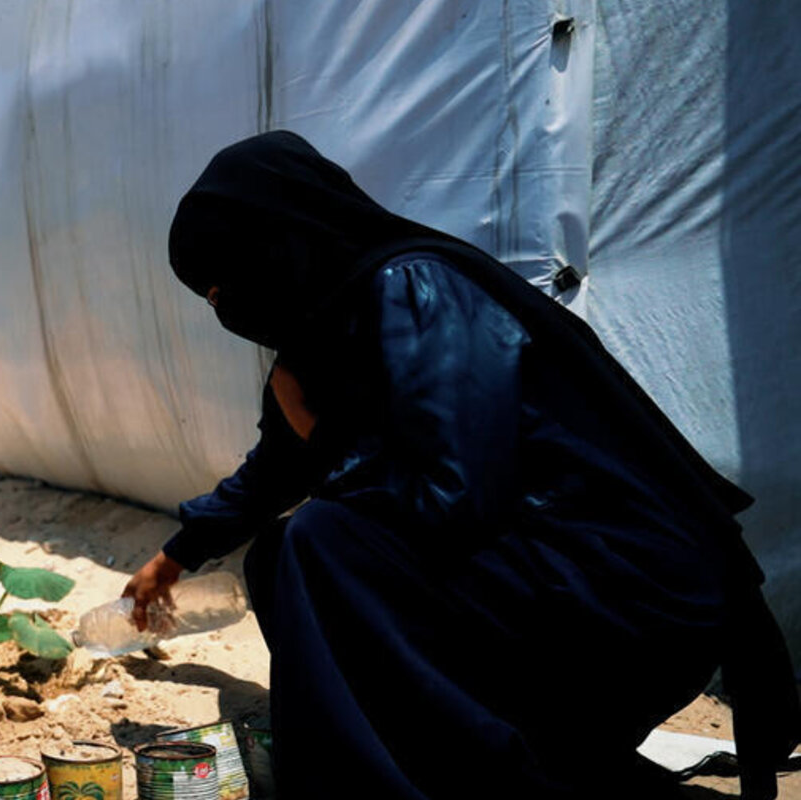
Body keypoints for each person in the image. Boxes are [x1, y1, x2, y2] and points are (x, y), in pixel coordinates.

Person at [122, 131, 800, 799]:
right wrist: (177, 555)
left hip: (628, 594)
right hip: (543, 585)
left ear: (279, 240)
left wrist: (322, 435)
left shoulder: (416, 287)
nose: (225, 309)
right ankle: (445, 756)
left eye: (224, 284)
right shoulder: (325, 333)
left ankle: (437, 774)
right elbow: (275, 468)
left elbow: (456, 490)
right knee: (277, 556)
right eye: (209, 297)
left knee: (323, 541)